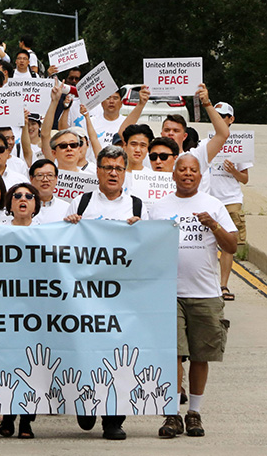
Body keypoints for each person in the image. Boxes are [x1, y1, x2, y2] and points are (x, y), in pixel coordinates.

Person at [150, 152, 237, 438]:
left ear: (201, 176)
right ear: (173, 175)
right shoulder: (158, 207)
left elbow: (232, 246)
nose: (187, 174)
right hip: (168, 294)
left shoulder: (214, 205)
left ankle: (194, 413)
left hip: (205, 294)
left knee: (201, 355)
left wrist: (213, 224)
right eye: (182, 170)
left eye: (193, 170)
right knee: (173, 354)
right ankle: (172, 414)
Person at [64, 145, 148, 441]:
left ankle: (114, 419)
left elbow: (147, 253)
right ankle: (86, 405)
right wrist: (69, 226)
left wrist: (142, 231)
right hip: (85, 296)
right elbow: (63, 247)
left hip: (122, 298)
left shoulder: (138, 207)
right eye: (107, 167)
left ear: (125, 173)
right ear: (97, 170)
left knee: (119, 358)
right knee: (86, 352)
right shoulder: (81, 203)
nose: (113, 173)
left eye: (118, 168)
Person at [0, 182, 41, 438]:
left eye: (29, 196)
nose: (23, 199)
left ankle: (26, 421)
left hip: (37, 312)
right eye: (17, 196)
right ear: (10, 203)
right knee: (8, 363)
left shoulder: (49, 232)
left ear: (36, 204)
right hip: (6, 310)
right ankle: (8, 415)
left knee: (32, 365)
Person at [209, 102, 249, 301]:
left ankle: (223, 285)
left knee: (228, 244)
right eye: (216, 115)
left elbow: (245, 178)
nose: (219, 119)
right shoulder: (206, 142)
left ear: (230, 119)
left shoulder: (239, 143)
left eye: (223, 116)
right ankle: (207, 283)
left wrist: (233, 170)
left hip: (231, 199)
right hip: (209, 198)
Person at [29, 159, 69, 224]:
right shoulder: (23, 206)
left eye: (50, 175)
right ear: (31, 179)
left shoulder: (66, 208)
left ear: (56, 179)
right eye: (40, 175)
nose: (45, 180)